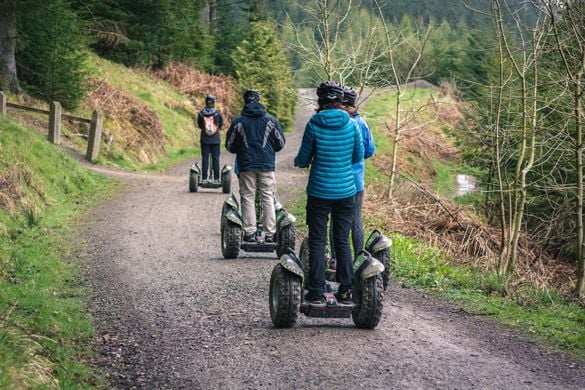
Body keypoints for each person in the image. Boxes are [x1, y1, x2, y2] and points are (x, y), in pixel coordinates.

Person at [294, 81, 364, 306]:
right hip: (346, 192)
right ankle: (346, 290)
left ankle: (315, 292)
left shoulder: (314, 123)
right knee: (342, 240)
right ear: (340, 101)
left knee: (317, 240)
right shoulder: (352, 125)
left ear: (321, 100)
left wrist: (301, 162)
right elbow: (357, 156)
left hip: (319, 191)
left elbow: (303, 158)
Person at [225, 90, 286, 243]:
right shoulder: (271, 120)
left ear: (245, 101)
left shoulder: (238, 121)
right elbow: (281, 143)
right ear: (259, 101)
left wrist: (241, 149)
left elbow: (229, 145)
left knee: (247, 197)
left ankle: (250, 232)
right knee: (268, 196)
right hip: (266, 164)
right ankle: (270, 233)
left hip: (246, 165)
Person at [329, 86, 376, 268]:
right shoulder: (361, 122)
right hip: (356, 180)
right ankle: (359, 259)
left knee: (335, 220)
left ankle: (334, 259)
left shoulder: (338, 122)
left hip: (337, 179)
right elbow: (369, 150)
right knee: (356, 219)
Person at [197, 95, 224, 183]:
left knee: (205, 158)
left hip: (205, 140)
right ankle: (216, 178)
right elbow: (220, 125)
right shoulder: (218, 113)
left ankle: (204, 178)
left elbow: (200, 125)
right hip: (215, 140)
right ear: (214, 102)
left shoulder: (201, 114)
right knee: (215, 158)